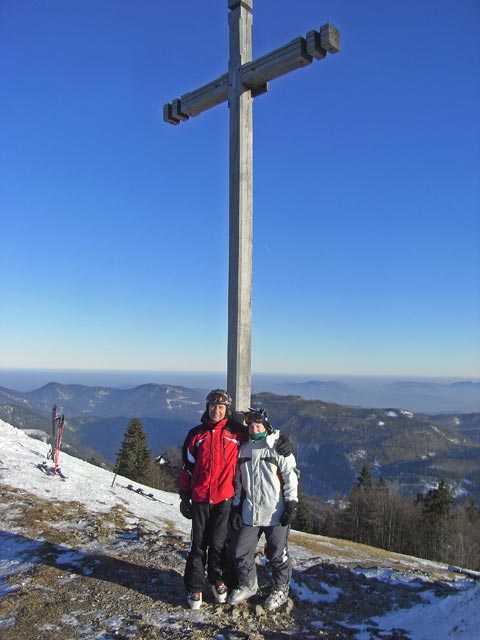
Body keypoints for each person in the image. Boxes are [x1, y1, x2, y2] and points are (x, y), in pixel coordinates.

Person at [179, 390, 292, 610]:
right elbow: (187, 467)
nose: (216, 410)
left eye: (221, 407)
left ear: (227, 410)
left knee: (220, 544)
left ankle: (217, 580)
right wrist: (185, 496)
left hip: (225, 498)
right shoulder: (196, 435)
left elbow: (261, 433)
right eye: (212, 406)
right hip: (201, 498)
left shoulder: (236, 432)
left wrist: (283, 439)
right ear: (207, 407)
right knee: (198, 544)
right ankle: (194, 586)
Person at [228, 407, 298, 611]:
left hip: (275, 512)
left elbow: (290, 477)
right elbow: (240, 482)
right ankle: (249, 584)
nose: (254, 427)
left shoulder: (277, 447)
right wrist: (236, 507)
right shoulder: (244, 450)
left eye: (258, 424)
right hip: (250, 511)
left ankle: (281, 588)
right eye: (250, 424)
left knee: (277, 554)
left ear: (266, 425)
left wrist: (291, 504)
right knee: (241, 551)